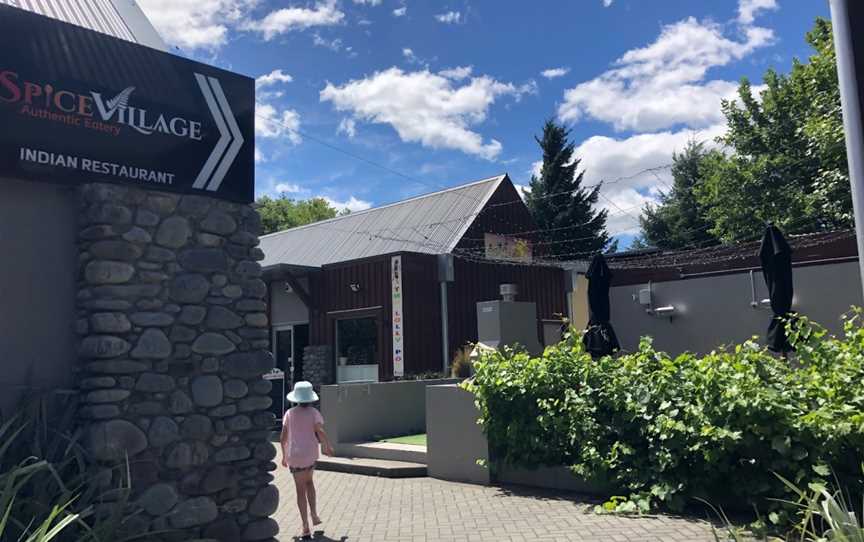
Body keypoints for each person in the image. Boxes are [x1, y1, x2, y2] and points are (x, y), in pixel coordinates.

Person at [280, 381, 334, 539]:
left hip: (294, 454)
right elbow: (320, 431)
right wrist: (327, 446)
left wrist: (283, 456)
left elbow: (283, 437)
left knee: (299, 490)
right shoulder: (313, 413)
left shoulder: (289, 413)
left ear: (296, 397)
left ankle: (305, 526)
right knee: (310, 482)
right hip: (309, 453)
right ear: (310, 398)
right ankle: (315, 515)